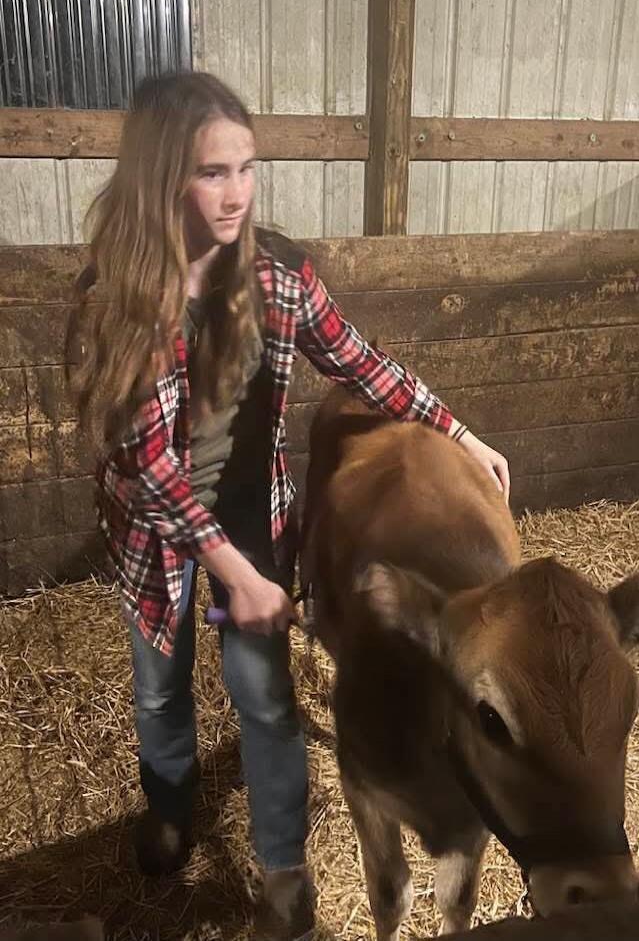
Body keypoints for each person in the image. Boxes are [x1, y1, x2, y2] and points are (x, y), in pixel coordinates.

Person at [66, 71, 510, 941]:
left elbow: (360, 364)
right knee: (160, 689)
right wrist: (230, 573)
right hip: (156, 538)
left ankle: (283, 876)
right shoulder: (114, 299)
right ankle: (169, 805)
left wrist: (459, 432)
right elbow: (152, 469)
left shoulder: (277, 279)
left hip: (252, 521)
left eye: (247, 168)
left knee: (265, 699)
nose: (236, 194)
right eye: (211, 173)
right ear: (162, 178)